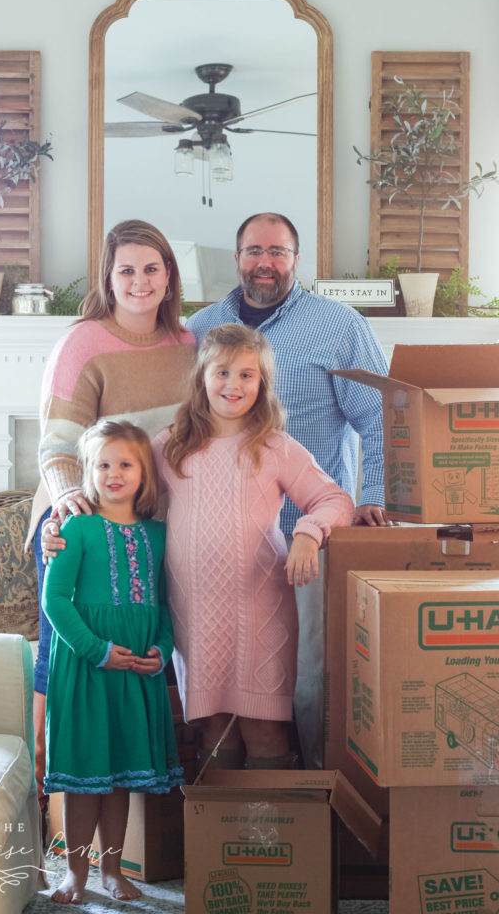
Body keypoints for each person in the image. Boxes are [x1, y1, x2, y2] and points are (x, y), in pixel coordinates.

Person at [186, 212, 390, 768]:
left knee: (306, 688)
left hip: (308, 544)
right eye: (254, 251)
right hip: (225, 561)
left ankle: (315, 808)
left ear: (296, 261)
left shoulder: (340, 326)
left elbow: (378, 416)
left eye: (278, 252)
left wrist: (372, 494)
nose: (265, 263)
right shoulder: (201, 327)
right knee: (222, 702)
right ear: (237, 258)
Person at [30, 219, 195, 837]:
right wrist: (68, 502)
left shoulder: (189, 341)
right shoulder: (82, 342)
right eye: (125, 269)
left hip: (147, 529)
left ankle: (137, 840)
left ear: (169, 275)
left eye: (151, 268)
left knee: (139, 666)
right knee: (65, 669)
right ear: (108, 277)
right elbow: (56, 443)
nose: (139, 281)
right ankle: (52, 824)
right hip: (78, 524)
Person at [152, 324, 355, 769]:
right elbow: (121, 492)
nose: (233, 384)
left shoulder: (275, 446)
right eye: (222, 372)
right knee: (212, 724)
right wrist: (66, 518)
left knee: (263, 726)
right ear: (202, 376)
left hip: (260, 608)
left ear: (262, 384)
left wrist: (308, 531)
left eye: (247, 375)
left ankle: (269, 835)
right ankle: (218, 835)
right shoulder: (171, 446)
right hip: (196, 611)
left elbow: (335, 500)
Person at [43, 419, 182, 904]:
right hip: (87, 668)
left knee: (119, 777)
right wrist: (96, 649)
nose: (113, 473)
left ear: (145, 474)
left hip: (135, 673)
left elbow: (165, 605)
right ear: (87, 471)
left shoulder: (159, 535)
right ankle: (74, 874)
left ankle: (113, 870)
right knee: (85, 778)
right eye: (102, 464)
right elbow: (55, 600)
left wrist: (162, 652)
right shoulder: (75, 528)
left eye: (125, 464)